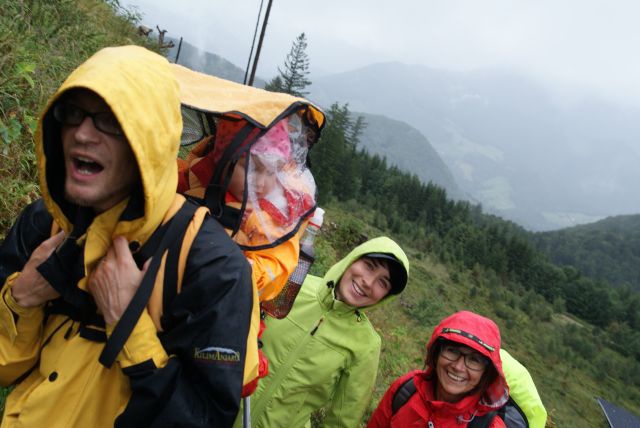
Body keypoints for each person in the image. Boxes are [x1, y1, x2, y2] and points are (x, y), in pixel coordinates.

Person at [0, 45, 253, 427]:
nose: (82, 134)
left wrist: (129, 326)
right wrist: (22, 298)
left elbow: (203, 418)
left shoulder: (214, 267)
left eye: (111, 120)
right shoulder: (45, 224)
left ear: (150, 141)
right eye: (73, 113)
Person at [248, 236, 410, 428]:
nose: (368, 282)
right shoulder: (295, 285)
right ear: (352, 259)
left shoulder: (366, 345)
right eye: (369, 266)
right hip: (224, 409)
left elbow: (343, 420)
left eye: (382, 283)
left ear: (385, 297)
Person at [367, 310, 509, 427]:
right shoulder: (406, 390)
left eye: (474, 360)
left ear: (486, 373)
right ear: (436, 354)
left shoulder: (489, 426)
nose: (458, 367)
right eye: (452, 351)